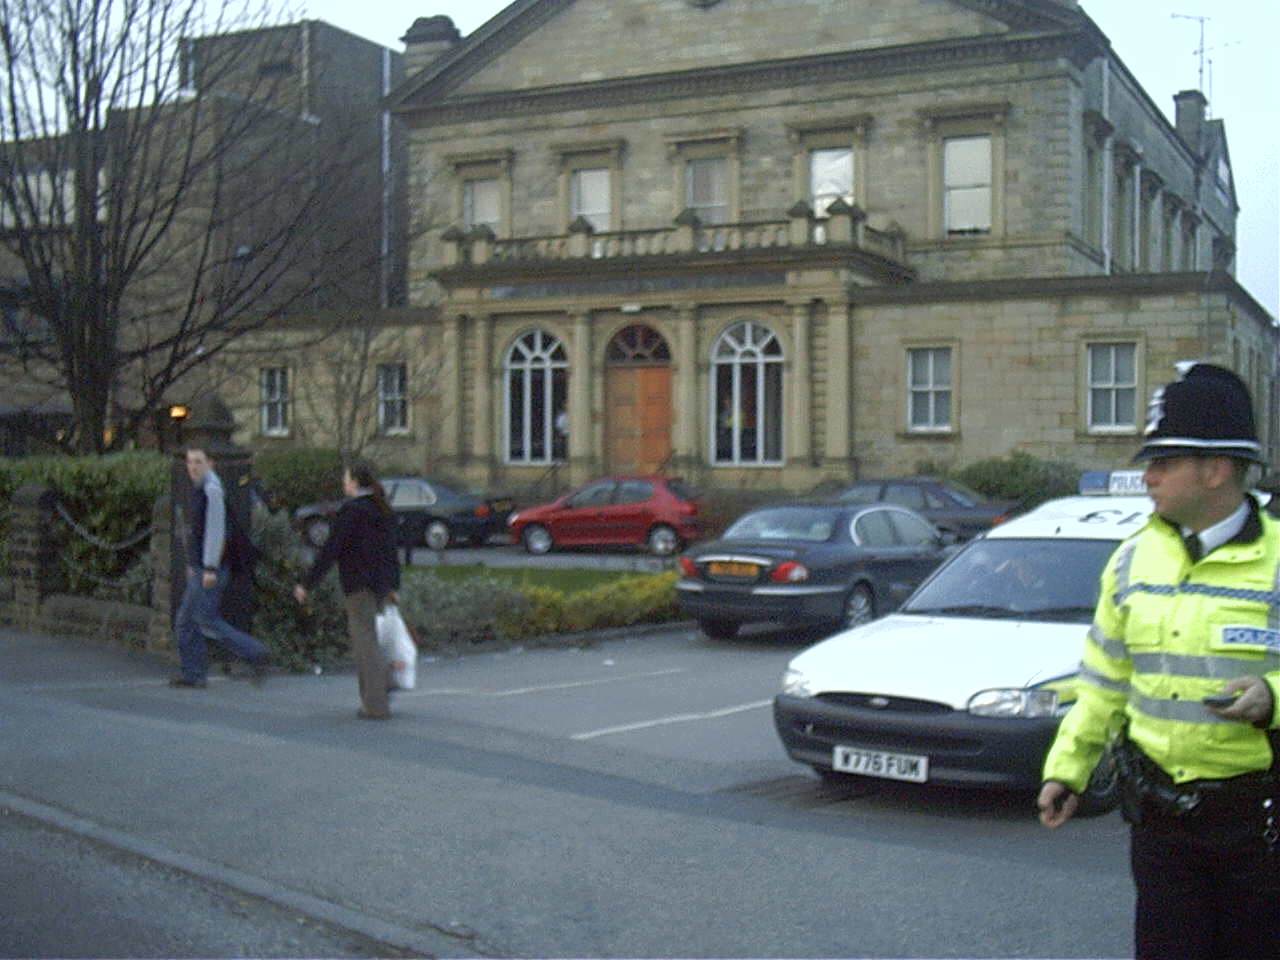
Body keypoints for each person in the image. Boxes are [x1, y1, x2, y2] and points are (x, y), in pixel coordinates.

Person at [1037, 363, 1279, 960]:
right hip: (1161, 825)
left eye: (1163, 463)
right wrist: (1067, 770)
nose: (1147, 477)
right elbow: (1102, 683)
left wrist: (1273, 695)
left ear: (1216, 468)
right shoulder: (1128, 560)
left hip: (1258, 824)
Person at [293, 461, 401, 720]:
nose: (344, 484)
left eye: (345, 479)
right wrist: (395, 584)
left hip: (359, 584)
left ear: (354, 482)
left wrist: (308, 583)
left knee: (365, 643)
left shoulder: (351, 511)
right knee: (377, 639)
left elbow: (331, 549)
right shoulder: (381, 509)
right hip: (382, 584)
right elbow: (392, 550)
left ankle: (375, 703)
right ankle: (384, 683)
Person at [172, 447, 271, 688]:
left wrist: (208, 567)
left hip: (211, 568)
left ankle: (255, 653)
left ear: (210, 463)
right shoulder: (203, 489)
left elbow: (216, 532)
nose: (192, 467)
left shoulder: (212, 490)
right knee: (193, 621)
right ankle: (194, 673)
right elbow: (200, 533)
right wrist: (194, 564)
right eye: (189, 462)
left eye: (198, 462)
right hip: (203, 567)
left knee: (202, 620)